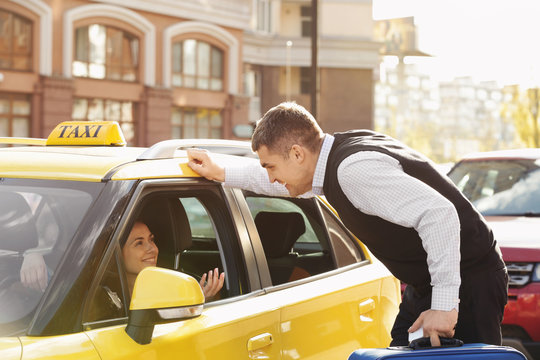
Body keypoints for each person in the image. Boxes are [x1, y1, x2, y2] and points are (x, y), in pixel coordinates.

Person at [187, 101, 508, 347]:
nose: (271, 176)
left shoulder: (352, 171)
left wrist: (444, 306)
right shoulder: (334, 159)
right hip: (434, 282)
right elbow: (283, 183)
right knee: (398, 349)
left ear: (297, 154)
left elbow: (440, 215)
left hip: (469, 282)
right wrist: (223, 172)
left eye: (271, 165)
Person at [122, 220, 225, 300]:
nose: (153, 249)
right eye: (139, 243)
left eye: (152, 240)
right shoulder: (107, 295)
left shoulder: (176, 290)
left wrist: (199, 303)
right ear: (118, 252)